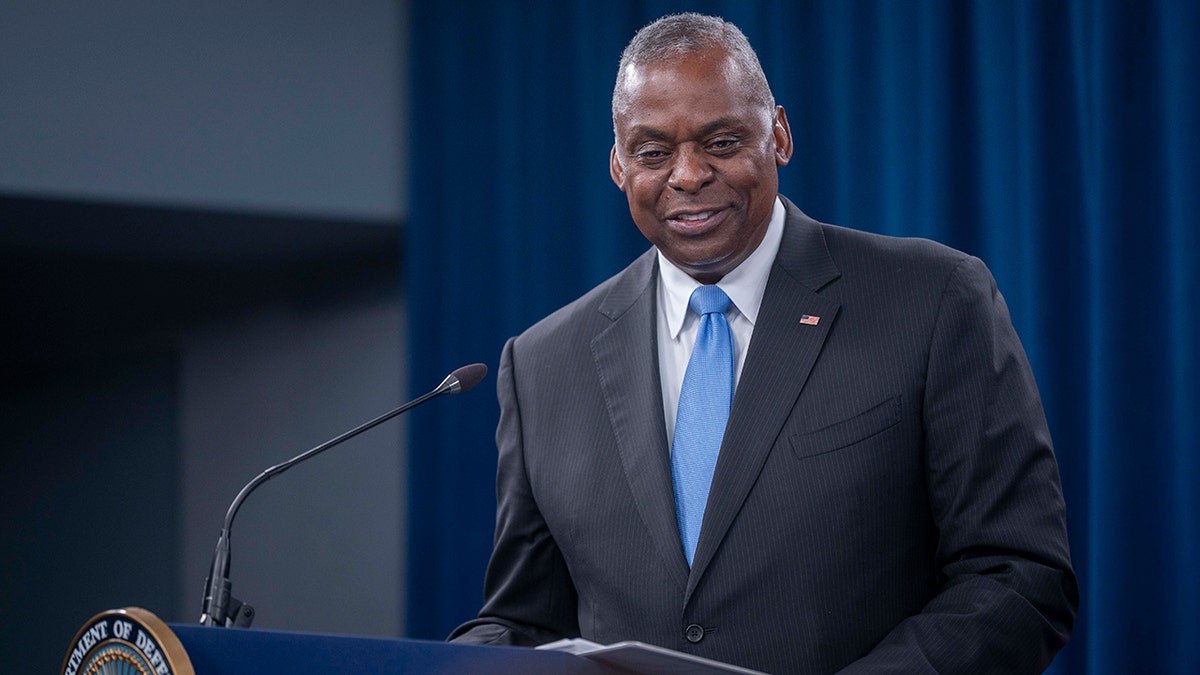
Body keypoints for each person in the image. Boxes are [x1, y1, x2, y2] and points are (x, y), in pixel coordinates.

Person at [450, 12, 1077, 674]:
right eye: (653, 152)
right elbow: (524, 618)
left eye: (720, 142)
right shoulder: (544, 362)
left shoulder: (934, 299)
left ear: (778, 134)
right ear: (617, 165)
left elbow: (1018, 578)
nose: (687, 175)